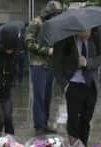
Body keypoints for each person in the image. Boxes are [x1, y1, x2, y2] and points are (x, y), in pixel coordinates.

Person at [53, 27, 101, 146]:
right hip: (73, 83)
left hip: (90, 83)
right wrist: (65, 84)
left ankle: (84, 146)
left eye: (87, 34)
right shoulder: (65, 37)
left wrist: (87, 62)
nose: (84, 37)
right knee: (73, 118)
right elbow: (56, 62)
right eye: (81, 35)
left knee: (86, 118)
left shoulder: (97, 34)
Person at [26, 0, 63, 135]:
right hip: (38, 65)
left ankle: (45, 123)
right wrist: (47, 51)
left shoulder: (53, 25)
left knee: (47, 97)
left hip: (50, 65)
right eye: (55, 14)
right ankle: (38, 126)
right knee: (39, 96)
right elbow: (29, 43)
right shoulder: (36, 23)